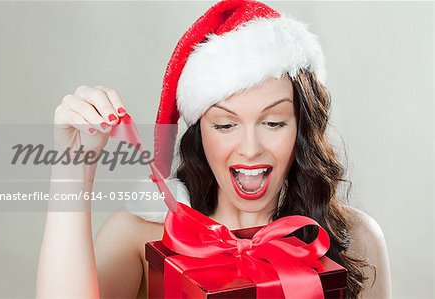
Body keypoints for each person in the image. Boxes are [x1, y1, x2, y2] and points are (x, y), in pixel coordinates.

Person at [36, 0, 392, 298]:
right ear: (199, 132)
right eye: (225, 125)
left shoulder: (354, 238)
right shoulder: (139, 235)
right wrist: (72, 170)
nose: (250, 149)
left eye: (274, 123)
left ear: (301, 127)